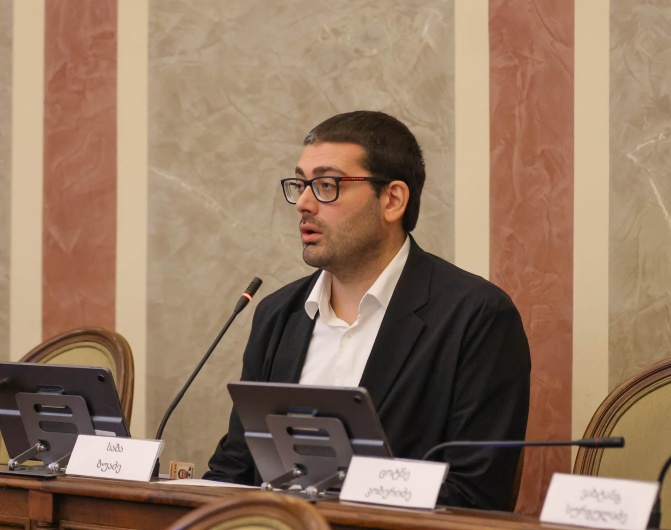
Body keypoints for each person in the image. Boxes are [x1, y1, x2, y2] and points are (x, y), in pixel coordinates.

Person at [204, 110, 531, 510]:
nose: (303, 203)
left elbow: (475, 494)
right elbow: (236, 469)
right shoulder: (277, 315)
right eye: (300, 184)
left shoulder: (476, 317)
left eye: (326, 185)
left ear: (392, 200)